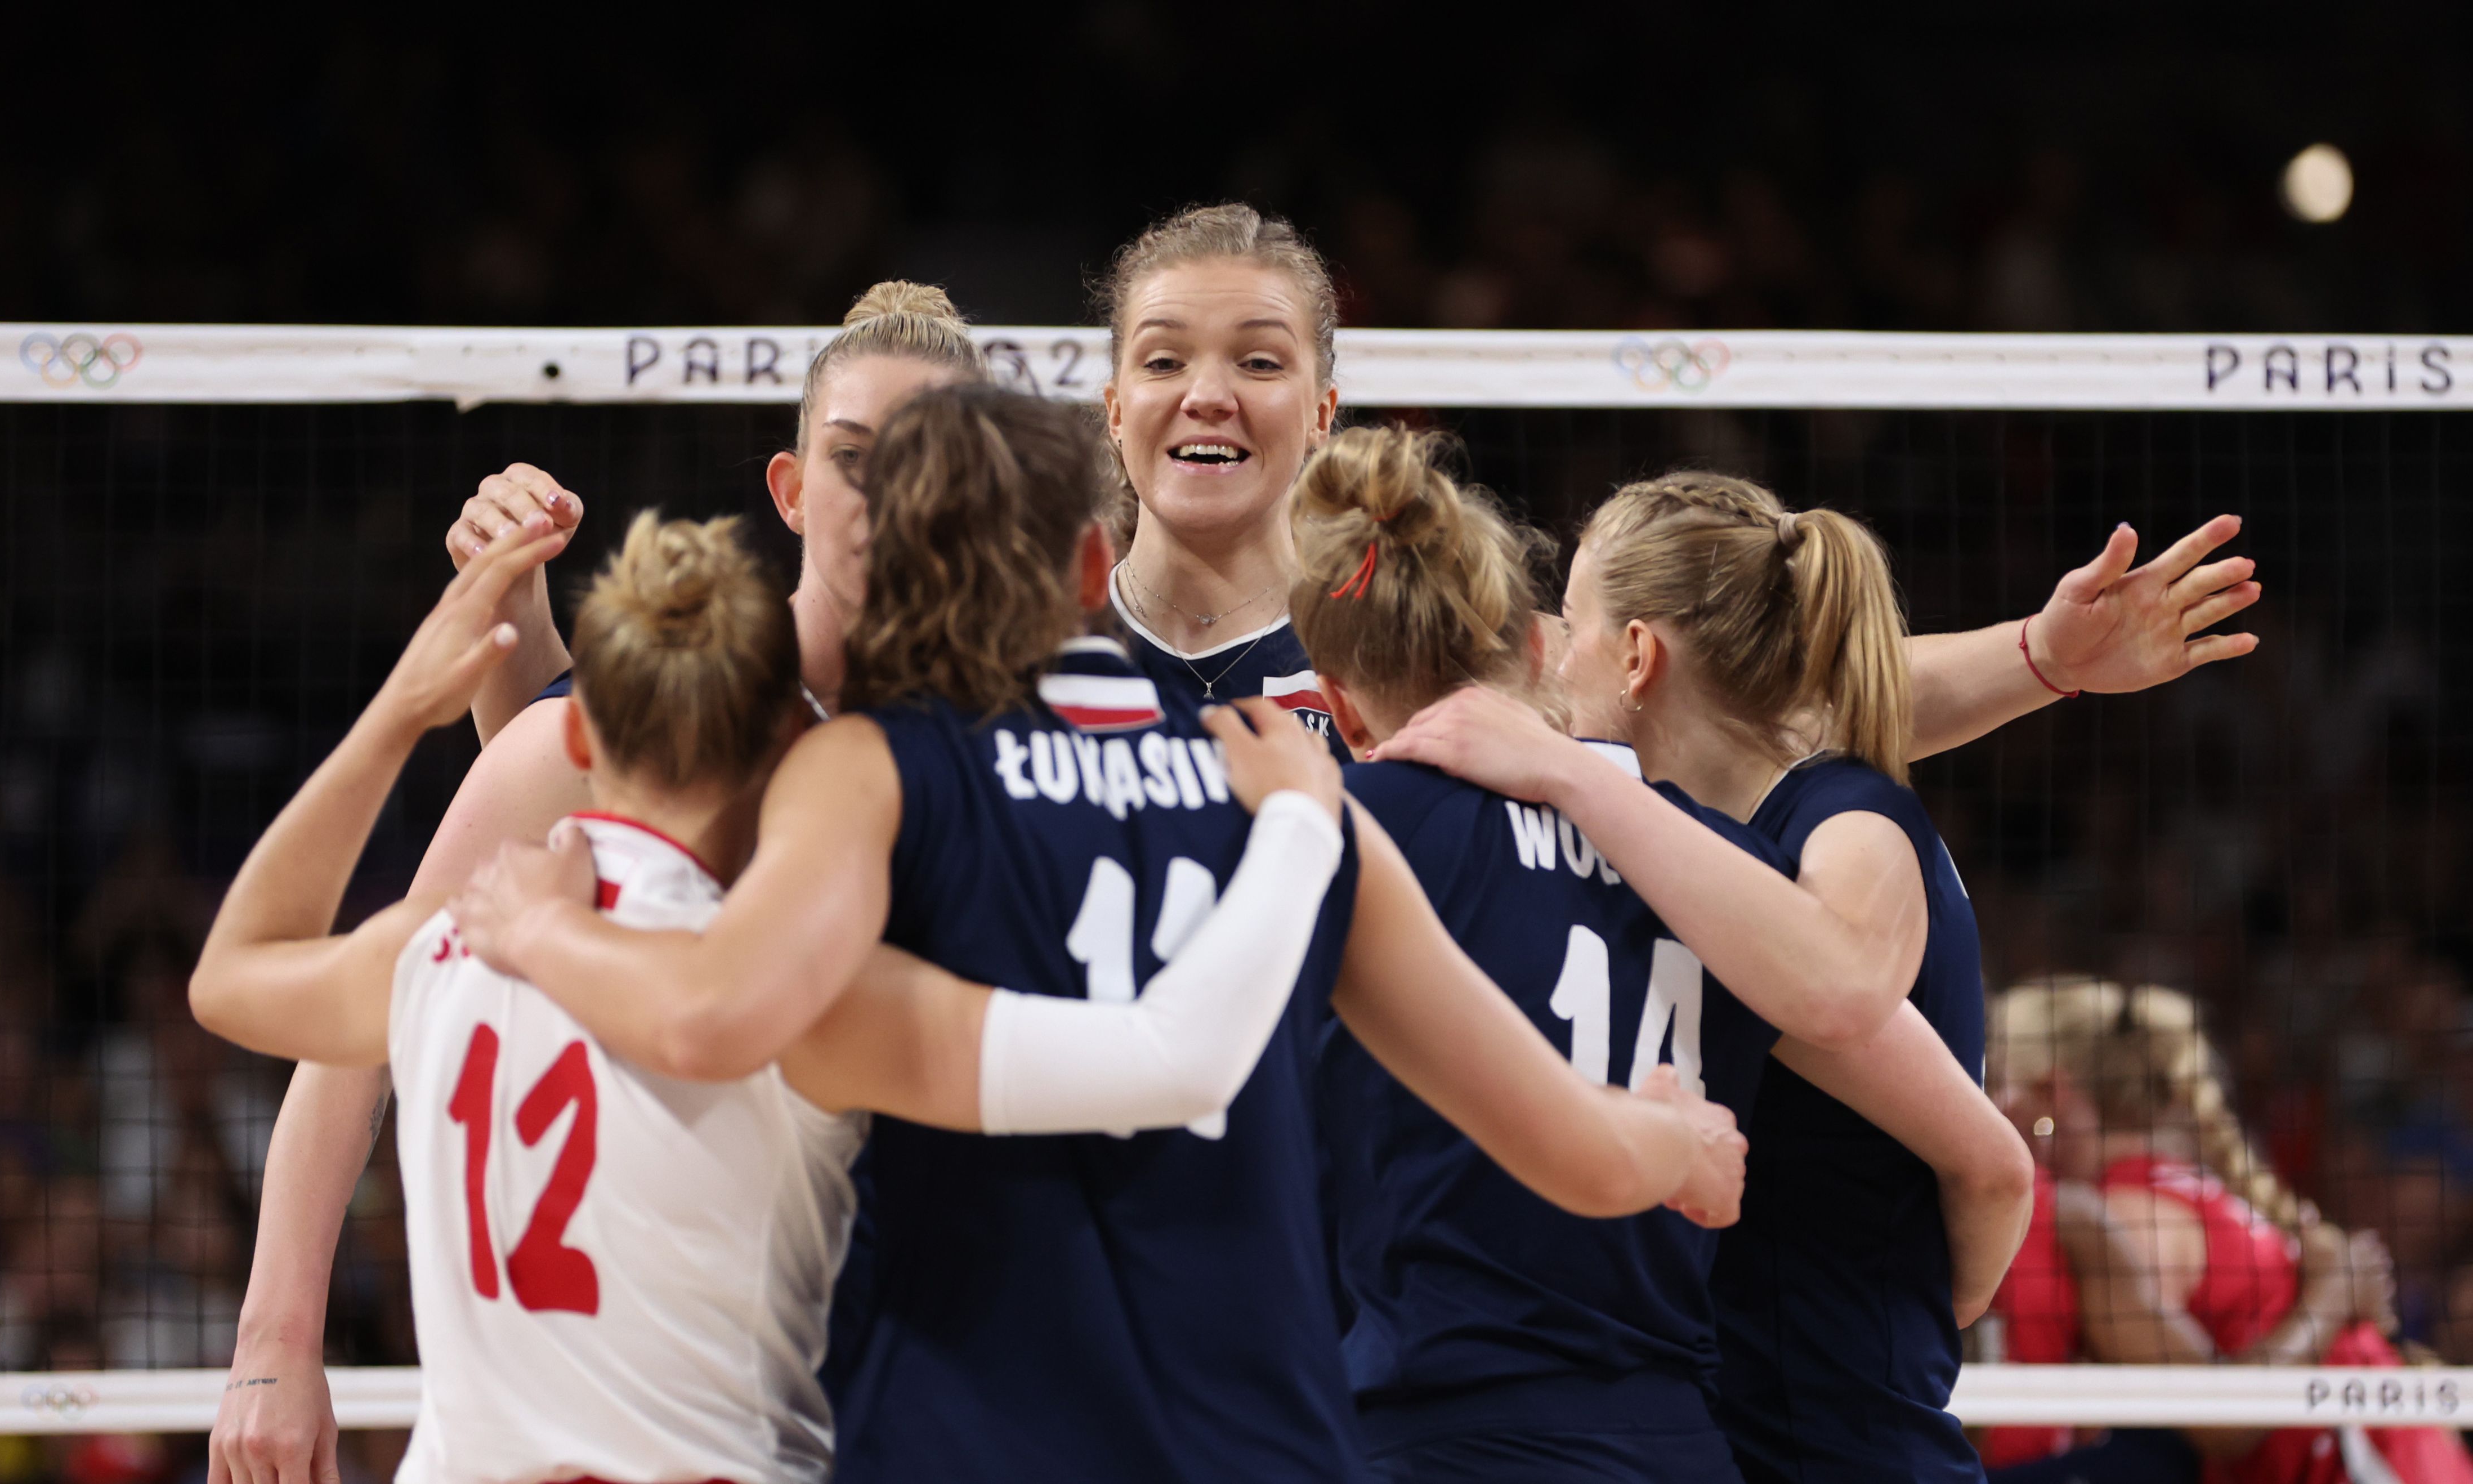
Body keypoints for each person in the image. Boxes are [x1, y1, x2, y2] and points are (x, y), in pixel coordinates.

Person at [221, 204, 2265, 1480]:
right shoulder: (920, 721)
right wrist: (280, 1333)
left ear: (1325, 408)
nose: (1210, 390)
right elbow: (474, 948)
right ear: (1096, 438)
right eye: (1166, 359)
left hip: (1230, 1370)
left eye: (1258, 359)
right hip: (887, 1355)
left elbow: (1723, 712)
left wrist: (2028, 658)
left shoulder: (1412, 677)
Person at [448, 383, 1742, 1483]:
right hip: (1263, 1446)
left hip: (965, 1436)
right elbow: (1571, 1152)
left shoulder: (866, 772)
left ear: (877, 573)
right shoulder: (1294, 795)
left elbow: (700, 977)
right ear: (1088, 571)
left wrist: (538, 921)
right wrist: (1677, 1140)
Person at [190, 509, 1361, 1483]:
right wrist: (1303, 824)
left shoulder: (443, 951)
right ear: (787, 752)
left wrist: (403, 709)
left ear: (582, 730)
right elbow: (1175, 1052)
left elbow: (231, 972)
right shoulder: (796, 1005)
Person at [206, 281, 991, 1484]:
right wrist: (273, 1341)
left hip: (869, 1387)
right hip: (631, 1407)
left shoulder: (1002, 744)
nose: (893, 496)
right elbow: (357, 1021)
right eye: (854, 458)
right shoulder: (620, 720)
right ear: (790, 487)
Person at [1288, 426, 2033, 1483]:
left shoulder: (1347, 827)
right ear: (1531, 652)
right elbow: (1990, 1154)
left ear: (1336, 698)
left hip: (1434, 1420)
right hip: (1680, 1434)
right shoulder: (1727, 880)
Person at [1987, 978, 2473, 1484]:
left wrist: (2331, 1295)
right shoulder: (2176, 1181)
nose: (1991, 1104)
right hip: (2400, 1445)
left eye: (1999, 1081)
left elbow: (2221, 1415)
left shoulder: (2127, 1217)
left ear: (2051, 1093)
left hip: (2359, 1460)